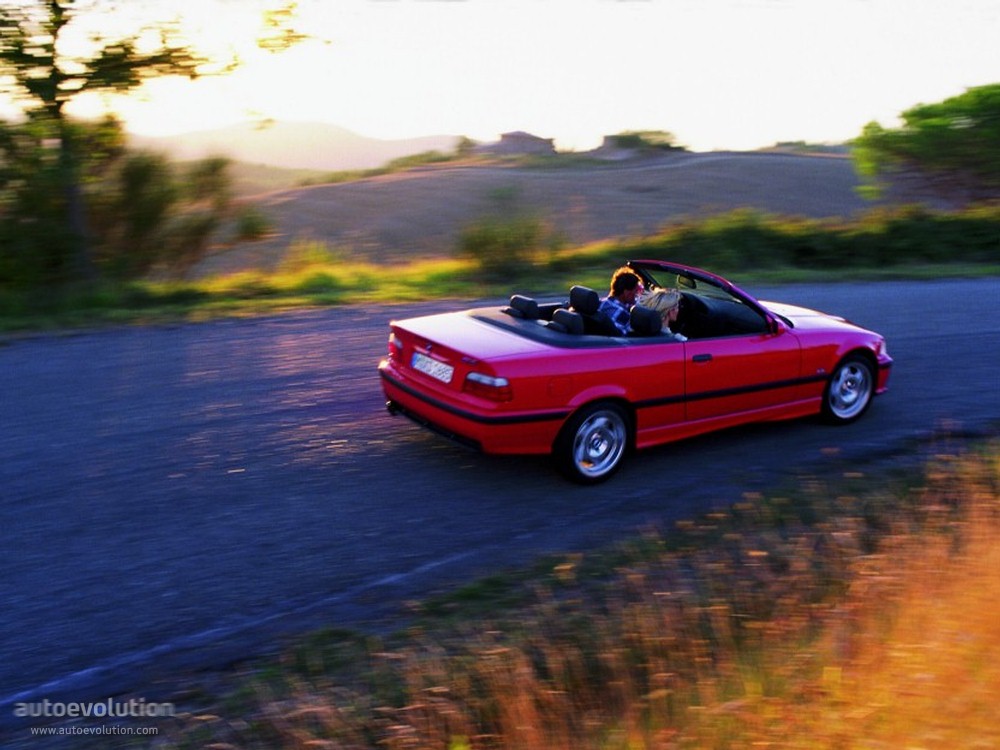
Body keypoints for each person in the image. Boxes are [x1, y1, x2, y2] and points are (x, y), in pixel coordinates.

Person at [598, 267, 643, 335]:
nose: (637, 296)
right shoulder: (622, 315)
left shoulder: (601, 303)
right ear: (626, 293)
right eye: (636, 291)